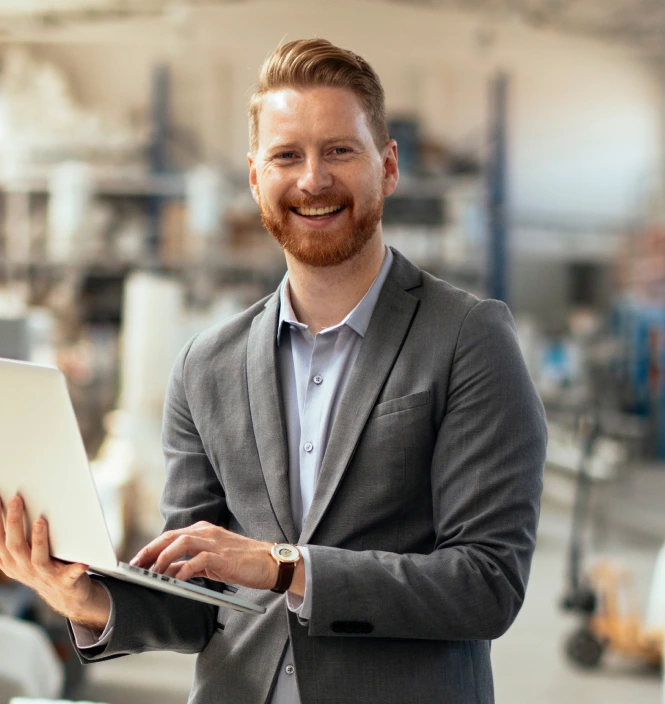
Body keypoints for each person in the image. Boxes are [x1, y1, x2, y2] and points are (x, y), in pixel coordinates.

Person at [0, 38, 547, 704]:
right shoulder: (207, 364)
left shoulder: (466, 338)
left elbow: (485, 584)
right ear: (256, 176)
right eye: (287, 155)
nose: (312, 179)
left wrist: (284, 566)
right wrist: (83, 597)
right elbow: (199, 601)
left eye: (339, 150)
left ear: (389, 167)